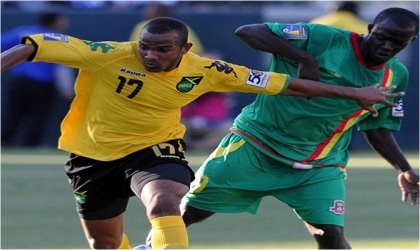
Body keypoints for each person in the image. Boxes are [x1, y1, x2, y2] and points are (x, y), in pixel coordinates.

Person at [1, 17, 403, 250]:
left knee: (165, 200)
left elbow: (283, 84)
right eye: (145, 48)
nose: (151, 55)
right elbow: (33, 47)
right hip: (92, 155)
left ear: (185, 48)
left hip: (154, 149)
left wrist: (352, 93)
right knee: (105, 244)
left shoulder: (208, 70)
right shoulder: (106, 54)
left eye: (162, 49)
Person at [177, 7, 420, 249]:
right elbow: (248, 32)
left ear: (412, 41)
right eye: (382, 37)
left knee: (332, 238)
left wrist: (404, 168)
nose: (387, 46)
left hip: (318, 164)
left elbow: (376, 127)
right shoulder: (322, 37)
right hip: (254, 146)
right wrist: (303, 57)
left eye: (398, 42)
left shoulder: (395, 75)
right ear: (369, 29)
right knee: (184, 216)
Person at [1, 12, 74, 147]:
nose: (65, 23)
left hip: (21, 81)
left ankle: (5, 140)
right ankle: (32, 144)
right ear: (54, 21)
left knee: (15, 112)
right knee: (38, 115)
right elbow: (62, 67)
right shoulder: (59, 39)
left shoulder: (24, 32)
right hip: (42, 84)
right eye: (62, 20)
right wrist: (67, 90)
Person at [129, 2, 204, 55]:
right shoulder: (143, 25)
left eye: (150, 9)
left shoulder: (144, 25)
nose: (146, 12)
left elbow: (195, 49)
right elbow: (135, 48)